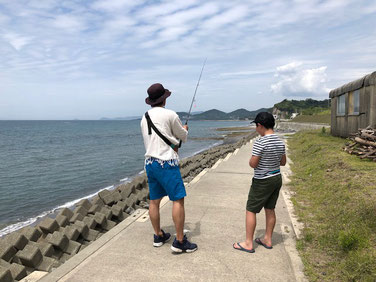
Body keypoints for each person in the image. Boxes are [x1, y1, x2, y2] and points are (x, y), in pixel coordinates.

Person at [140, 83, 198, 253]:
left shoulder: (144, 117)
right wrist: (185, 129)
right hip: (166, 163)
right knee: (178, 199)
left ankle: (158, 235)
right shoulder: (171, 115)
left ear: (150, 101)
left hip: (150, 163)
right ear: (164, 99)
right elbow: (183, 137)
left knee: (154, 200)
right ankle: (179, 241)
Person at [233, 112, 286, 253]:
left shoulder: (260, 142)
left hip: (262, 180)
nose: (256, 129)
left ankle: (248, 243)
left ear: (260, 125)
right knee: (270, 209)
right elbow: (283, 162)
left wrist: (252, 160)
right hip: (276, 178)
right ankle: (268, 239)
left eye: (256, 126)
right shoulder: (280, 142)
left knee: (251, 210)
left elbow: (253, 164)